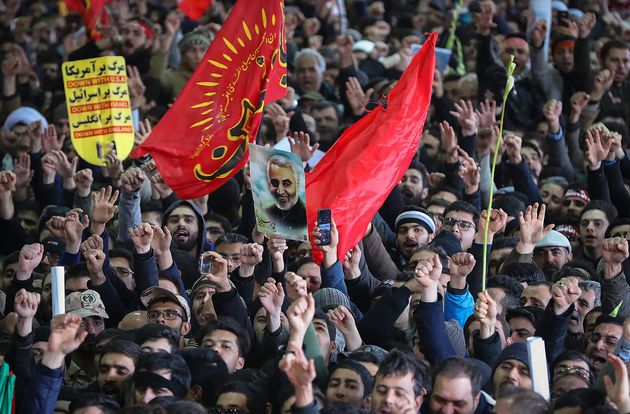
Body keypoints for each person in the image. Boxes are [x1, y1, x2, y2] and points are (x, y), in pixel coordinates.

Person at [263, 153, 307, 234]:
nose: (280, 191)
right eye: (274, 183)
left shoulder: (307, 217)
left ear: (297, 183)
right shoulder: (266, 214)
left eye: (286, 184)